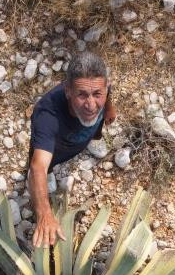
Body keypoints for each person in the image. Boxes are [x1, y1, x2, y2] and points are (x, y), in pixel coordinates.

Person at [27, 51, 116, 247]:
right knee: (45, 168)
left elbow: (107, 92)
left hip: (82, 138)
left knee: (94, 125)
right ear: (68, 91)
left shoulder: (100, 86)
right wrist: (44, 215)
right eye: (82, 95)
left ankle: (93, 138)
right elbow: (37, 167)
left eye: (97, 94)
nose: (91, 105)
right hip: (59, 149)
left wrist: (108, 108)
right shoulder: (47, 115)